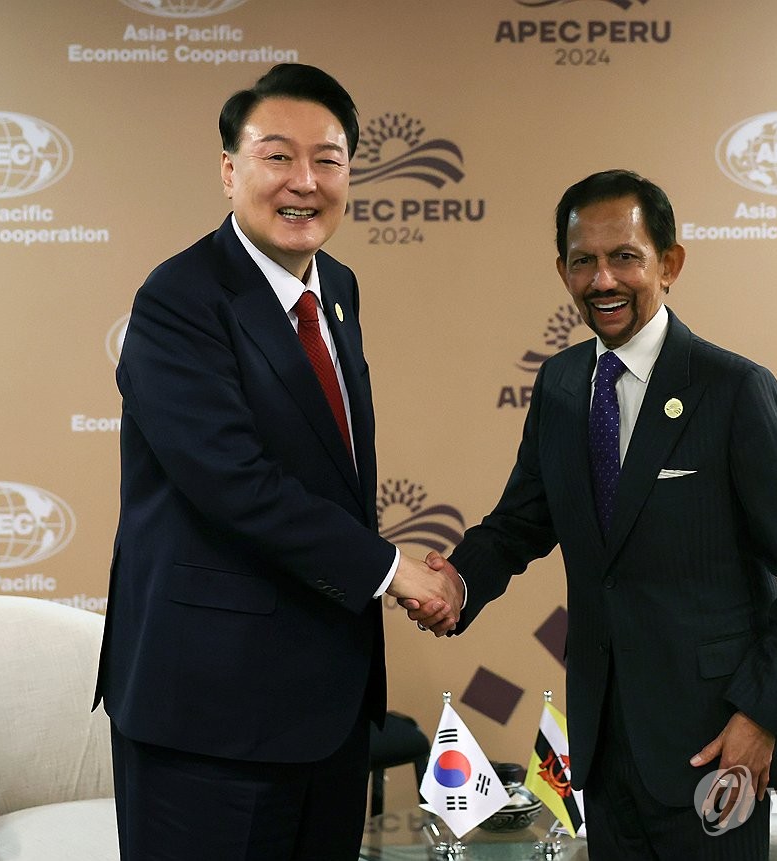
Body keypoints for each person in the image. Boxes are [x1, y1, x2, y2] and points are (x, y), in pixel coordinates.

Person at [411, 170, 777, 858]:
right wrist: (456, 584)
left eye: (625, 257)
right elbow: (521, 521)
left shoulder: (734, 390)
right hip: (604, 740)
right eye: (583, 260)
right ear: (563, 271)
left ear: (669, 264)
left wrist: (761, 715)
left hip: (714, 739)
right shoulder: (560, 385)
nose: (602, 279)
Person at [94, 63, 460, 861]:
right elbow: (236, 484)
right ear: (229, 170)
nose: (305, 182)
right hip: (208, 715)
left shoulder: (338, 289)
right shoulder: (179, 299)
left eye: (327, 159)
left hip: (326, 710)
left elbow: (328, 470)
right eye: (276, 157)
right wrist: (391, 570)